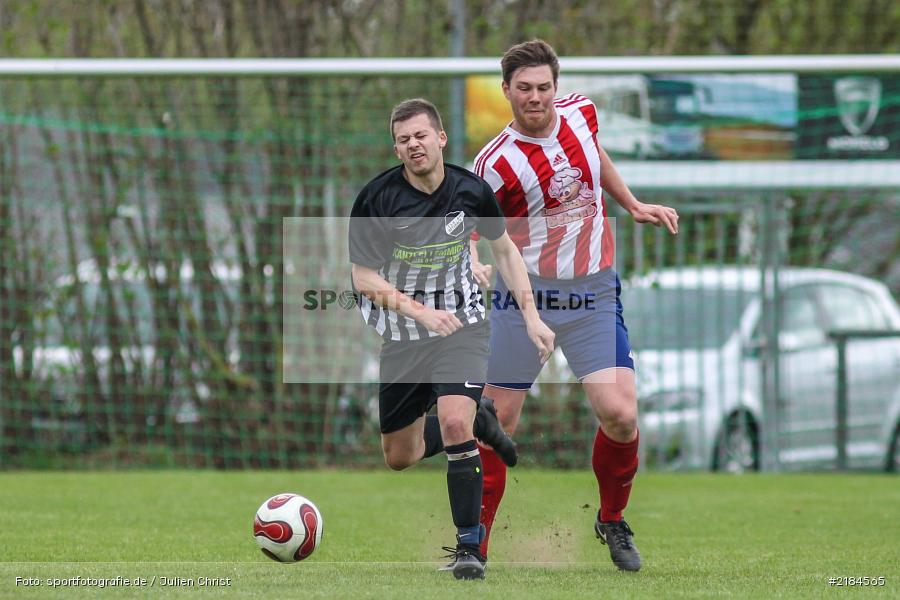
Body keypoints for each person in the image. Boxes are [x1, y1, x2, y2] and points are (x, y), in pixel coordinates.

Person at [469, 40, 679, 572]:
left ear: (556, 87)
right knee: (497, 422)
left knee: (621, 415)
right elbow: (469, 222)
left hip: (591, 293)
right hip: (526, 298)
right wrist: (472, 260)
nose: (535, 97)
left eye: (543, 87)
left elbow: (596, 156)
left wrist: (631, 203)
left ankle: (611, 519)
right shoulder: (495, 163)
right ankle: (475, 543)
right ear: (507, 92)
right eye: (524, 89)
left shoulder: (582, 113)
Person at [348, 98, 555, 580]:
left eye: (420, 135)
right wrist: (422, 312)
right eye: (403, 140)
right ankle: (480, 417)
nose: (412, 145)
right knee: (401, 456)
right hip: (404, 335)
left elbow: (504, 251)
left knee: (454, 420)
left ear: (440, 138)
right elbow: (363, 278)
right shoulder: (377, 200)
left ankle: (469, 549)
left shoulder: (472, 191)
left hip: (463, 325)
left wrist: (531, 317)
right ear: (396, 149)